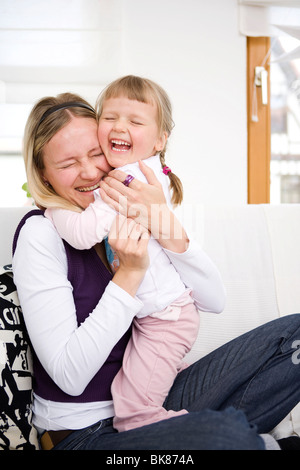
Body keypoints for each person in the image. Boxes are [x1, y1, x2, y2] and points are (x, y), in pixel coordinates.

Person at [12, 91, 300, 450]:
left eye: (96, 153)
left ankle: (224, 437)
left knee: (296, 333)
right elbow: (70, 378)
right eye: (68, 163)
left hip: (152, 403)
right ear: (42, 172)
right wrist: (130, 274)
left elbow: (214, 300)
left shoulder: (120, 205)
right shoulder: (42, 232)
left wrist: (163, 221)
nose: (88, 172)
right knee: (228, 438)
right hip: (85, 435)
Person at [41, 76, 215, 432]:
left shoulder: (126, 183)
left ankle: (199, 433)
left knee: (133, 412)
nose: (120, 126)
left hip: (165, 317)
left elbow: (83, 233)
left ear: (160, 139)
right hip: (161, 314)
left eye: (135, 121)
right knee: (134, 385)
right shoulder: (146, 176)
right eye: (110, 117)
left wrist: (50, 206)